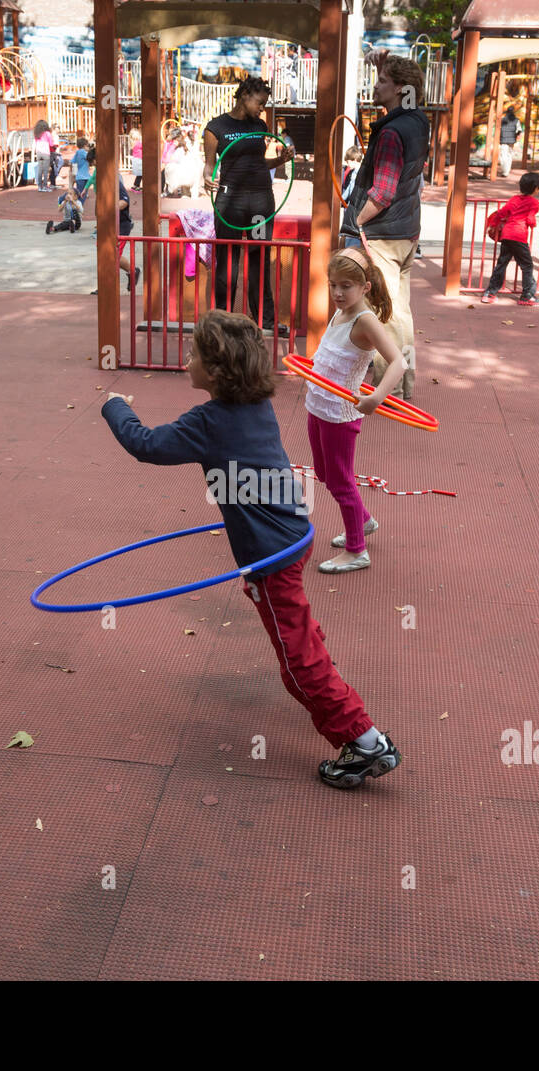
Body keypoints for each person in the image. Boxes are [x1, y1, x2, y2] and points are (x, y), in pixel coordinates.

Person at [100, 308, 402, 789]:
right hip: (288, 536)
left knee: (297, 663)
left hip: (272, 554)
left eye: (194, 352)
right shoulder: (254, 406)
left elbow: (147, 445)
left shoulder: (208, 422)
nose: (187, 357)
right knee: (297, 636)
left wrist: (115, 404)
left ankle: (363, 743)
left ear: (216, 371)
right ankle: (339, 699)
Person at [305, 247, 407, 574]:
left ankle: (356, 550)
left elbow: (398, 362)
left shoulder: (365, 321)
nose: (337, 292)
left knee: (340, 480)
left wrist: (376, 397)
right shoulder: (340, 312)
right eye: (333, 284)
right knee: (324, 474)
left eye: (346, 285)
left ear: (365, 287)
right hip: (318, 404)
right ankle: (363, 521)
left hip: (339, 414)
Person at [340, 50, 430, 399]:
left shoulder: (393, 132)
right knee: (398, 310)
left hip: (384, 233)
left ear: (400, 88)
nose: (376, 86)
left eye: (382, 82)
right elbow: (402, 83)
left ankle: (389, 388)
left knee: (388, 313)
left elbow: (383, 193)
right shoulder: (417, 118)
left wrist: (357, 219)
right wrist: (383, 64)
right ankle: (399, 386)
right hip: (405, 231)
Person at [203, 77, 294, 336]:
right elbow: (210, 166)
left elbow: (257, 163)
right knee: (227, 263)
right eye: (260, 102)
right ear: (244, 95)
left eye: (265, 104)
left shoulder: (260, 125)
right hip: (230, 201)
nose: (262, 109)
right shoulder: (216, 127)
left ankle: (265, 320)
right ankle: (221, 322)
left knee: (259, 259)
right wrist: (207, 178)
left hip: (260, 203)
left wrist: (279, 160)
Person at [480, 171, 539, 306]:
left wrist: (492, 225)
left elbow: (501, 212)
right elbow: (530, 219)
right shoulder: (534, 202)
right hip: (519, 236)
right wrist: (533, 224)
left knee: (502, 264)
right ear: (537, 188)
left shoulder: (514, 199)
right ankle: (527, 296)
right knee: (527, 266)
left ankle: (490, 293)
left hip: (507, 235)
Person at [498, 105, 521, 178]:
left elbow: (498, 129)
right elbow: (519, 130)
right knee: (509, 155)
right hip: (512, 140)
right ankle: (507, 171)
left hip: (503, 139)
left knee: (503, 155)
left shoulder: (502, 119)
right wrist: (516, 136)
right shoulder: (516, 120)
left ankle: (504, 171)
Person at [33, 120, 56, 191]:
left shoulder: (37, 134)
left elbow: (36, 143)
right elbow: (51, 144)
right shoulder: (47, 133)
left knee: (40, 170)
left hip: (38, 153)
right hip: (46, 153)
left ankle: (40, 186)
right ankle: (45, 186)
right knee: (46, 171)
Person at [130, 126, 143, 190]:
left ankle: (135, 185)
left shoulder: (133, 142)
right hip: (139, 159)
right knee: (141, 174)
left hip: (137, 159)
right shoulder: (138, 143)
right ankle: (136, 185)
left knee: (140, 174)